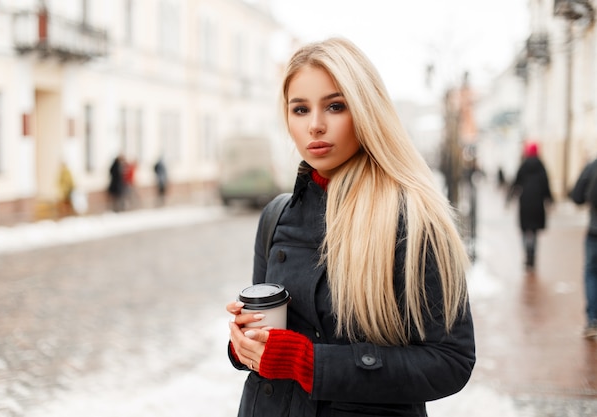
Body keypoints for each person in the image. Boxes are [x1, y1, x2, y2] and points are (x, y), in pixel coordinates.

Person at [225, 37, 475, 417]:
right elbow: (272, 344)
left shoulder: (413, 219)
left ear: (365, 110)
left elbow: (449, 360)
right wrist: (248, 345)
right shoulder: (276, 215)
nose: (315, 125)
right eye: (300, 109)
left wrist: (308, 363)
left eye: (335, 106)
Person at [506, 141, 553, 270]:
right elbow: (546, 185)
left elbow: (515, 183)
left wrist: (509, 198)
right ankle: (532, 255)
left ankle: (527, 253)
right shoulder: (541, 167)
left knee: (525, 229)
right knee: (534, 231)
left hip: (525, 203)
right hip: (538, 203)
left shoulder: (523, 166)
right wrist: (550, 200)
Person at [570, 156, 597, 338]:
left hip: (594, 231)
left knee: (591, 273)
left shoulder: (593, 165)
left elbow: (576, 196)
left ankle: (593, 321)